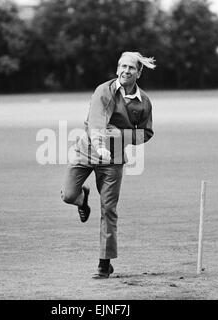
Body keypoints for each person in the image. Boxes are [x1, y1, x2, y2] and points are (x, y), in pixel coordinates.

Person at [60, 51, 156, 279]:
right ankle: (82, 199)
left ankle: (105, 263)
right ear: (116, 70)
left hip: (113, 161)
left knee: (109, 210)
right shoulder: (103, 90)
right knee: (67, 195)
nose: (126, 70)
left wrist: (120, 136)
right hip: (87, 150)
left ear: (139, 72)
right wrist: (101, 144)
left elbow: (146, 133)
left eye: (131, 67)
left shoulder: (144, 103)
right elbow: (96, 121)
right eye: (122, 66)